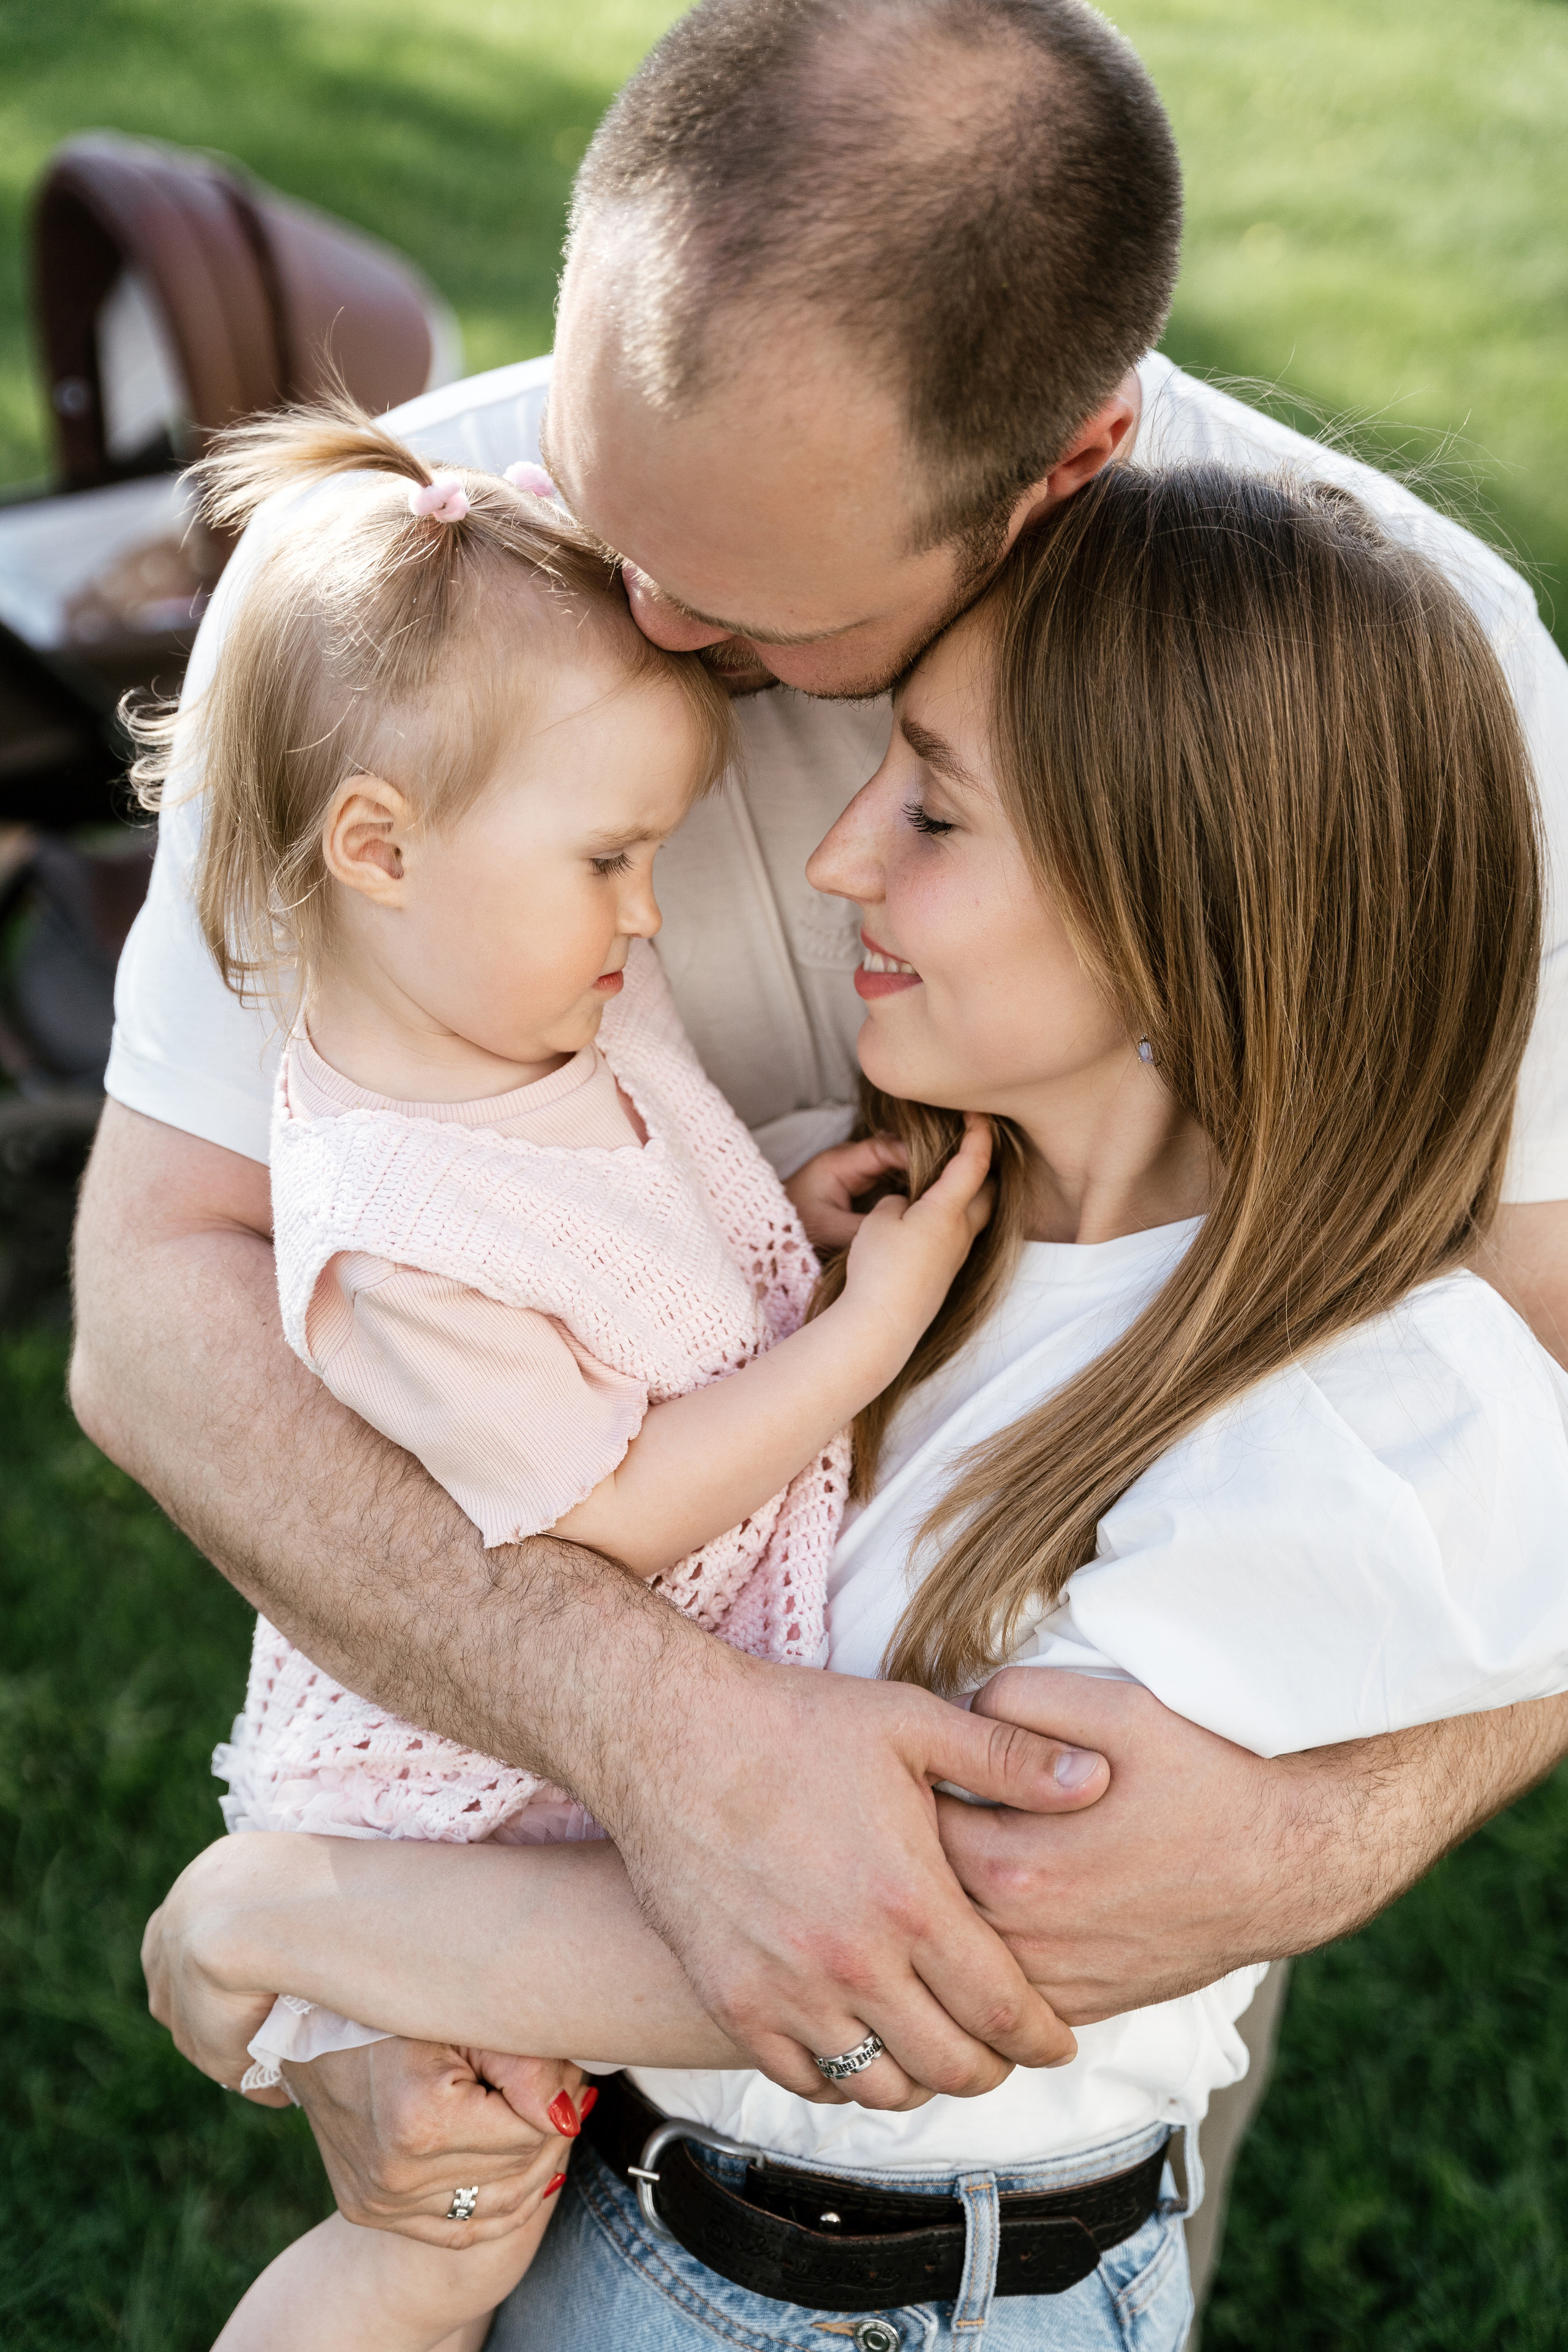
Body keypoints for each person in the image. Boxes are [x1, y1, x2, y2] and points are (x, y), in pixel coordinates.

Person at [71, 0, 1568, 2316]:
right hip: (505, 1888)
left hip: (957, 2100)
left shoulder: (1390, 704)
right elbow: (160, 1297)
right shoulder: (408, 597)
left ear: (1065, 464)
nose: (637, 613)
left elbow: (1529, 1424)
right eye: (602, 477)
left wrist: (1303, 1827)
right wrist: (540, 1802)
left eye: (749, 610)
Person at [140, 399, 1005, 2352]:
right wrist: (865, 1334)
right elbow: (602, 1506)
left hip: (561, 1778)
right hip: (441, 1816)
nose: (646, 910)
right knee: (449, 2233)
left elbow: (636, 1273)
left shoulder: (542, 1024)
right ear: (379, 845)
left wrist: (779, 1209)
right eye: (614, 858)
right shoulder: (393, 1217)